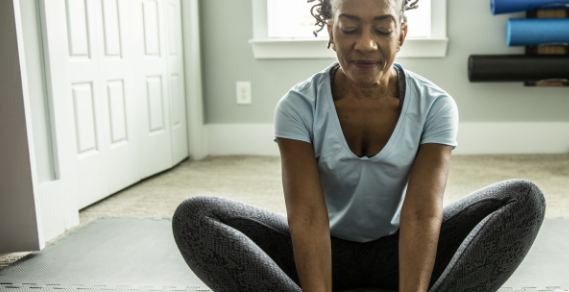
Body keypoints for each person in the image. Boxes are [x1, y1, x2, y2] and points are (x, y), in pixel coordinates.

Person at [171, 0, 546, 291]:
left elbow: (421, 214)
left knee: (524, 198)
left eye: (382, 29)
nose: (365, 44)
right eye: (349, 28)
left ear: (401, 34)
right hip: (322, 251)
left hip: (399, 248)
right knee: (195, 218)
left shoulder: (435, 105)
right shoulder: (297, 106)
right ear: (331, 32)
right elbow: (307, 217)